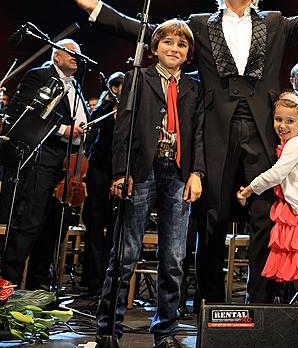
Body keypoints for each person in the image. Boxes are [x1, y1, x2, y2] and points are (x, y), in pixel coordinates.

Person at [65, 0, 298, 304]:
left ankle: (260, 306)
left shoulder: (274, 22)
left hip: (262, 129)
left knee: (265, 216)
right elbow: (151, 33)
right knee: (211, 217)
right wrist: (98, 9)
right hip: (214, 129)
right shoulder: (198, 23)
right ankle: (209, 304)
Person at [95, 20, 204, 348]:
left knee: (173, 257)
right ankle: (107, 330)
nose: (174, 48)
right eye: (168, 42)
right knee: (125, 253)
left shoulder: (194, 88)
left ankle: (166, 332)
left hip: (178, 173)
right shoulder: (136, 79)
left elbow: (199, 133)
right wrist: (119, 172)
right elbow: (122, 130)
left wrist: (197, 173)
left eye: (181, 45)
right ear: (154, 48)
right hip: (141, 171)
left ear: (188, 54)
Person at [1, 39, 89, 289]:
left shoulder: (76, 86)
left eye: (79, 54)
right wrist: (63, 129)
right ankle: (6, 289)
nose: (77, 57)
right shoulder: (39, 76)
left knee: (54, 229)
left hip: (66, 164)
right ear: (56, 56)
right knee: (28, 224)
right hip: (42, 159)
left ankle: (39, 291)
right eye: (72, 53)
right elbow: (23, 112)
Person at [236, 91, 298, 305]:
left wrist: (249, 190)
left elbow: (276, 174)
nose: (283, 125)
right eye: (278, 119)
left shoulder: (297, 144)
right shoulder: (291, 144)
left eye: (290, 121)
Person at [81, 71, 124, 295]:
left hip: (120, 172)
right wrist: (108, 104)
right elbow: (93, 125)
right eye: (116, 87)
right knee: (95, 223)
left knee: (115, 226)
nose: (119, 91)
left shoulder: (131, 110)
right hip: (99, 170)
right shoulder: (105, 109)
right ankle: (93, 278)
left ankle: (109, 277)